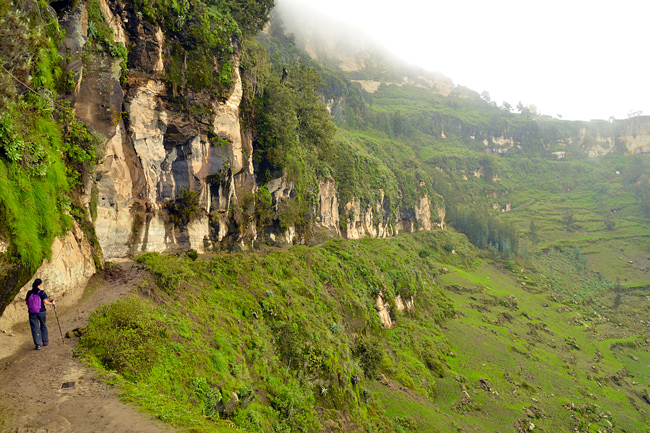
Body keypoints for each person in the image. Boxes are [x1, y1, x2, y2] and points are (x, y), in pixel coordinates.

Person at [25, 278, 55, 350]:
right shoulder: (42, 292)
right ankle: (45, 341)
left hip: (32, 313)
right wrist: (52, 303)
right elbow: (45, 302)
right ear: (40, 284)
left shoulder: (29, 292)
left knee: (35, 328)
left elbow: (27, 303)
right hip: (41, 312)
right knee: (43, 325)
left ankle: (38, 344)